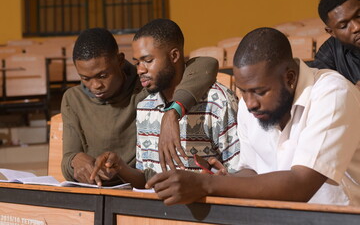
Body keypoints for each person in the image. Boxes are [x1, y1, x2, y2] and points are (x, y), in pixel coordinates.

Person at [145, 27, 360, 206]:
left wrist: (206, 185)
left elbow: (300, 186)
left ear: (290, 78)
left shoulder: (332, 93)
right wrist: (225, 180)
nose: (249, 104)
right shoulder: (251, 103)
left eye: (260, 91)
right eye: (242, 91)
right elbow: (253, 171)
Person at [90, 19, 240, 187]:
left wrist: (210, 181)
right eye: (137, 62)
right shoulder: (145, 106)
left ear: (174, 56)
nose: (140, 69)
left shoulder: (217, 101)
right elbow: (147, 179)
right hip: (157, 210)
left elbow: (239, 173)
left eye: (148, 60)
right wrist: (121, 167)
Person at [61, 28, 219, 185]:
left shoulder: (145, 87)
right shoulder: (73, 99)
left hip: (138, 183)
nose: (95, 85)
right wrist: (74, 161)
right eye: (85, 78)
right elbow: (67, 160)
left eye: (103, 76)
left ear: (120, 61)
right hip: (97, 189)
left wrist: (173, 111)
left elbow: (207, 64)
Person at [309, 0, 360, 89]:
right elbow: (317, 89)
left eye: (359, 16)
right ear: (331, 32)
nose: (357, 27)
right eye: (344, 26)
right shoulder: (329, 52)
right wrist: (353, 92)